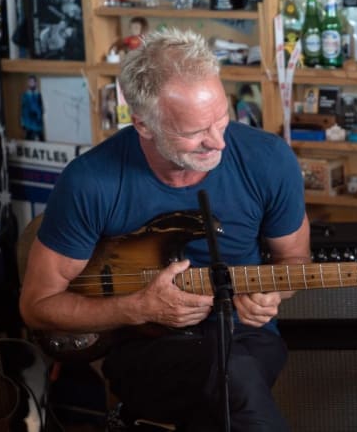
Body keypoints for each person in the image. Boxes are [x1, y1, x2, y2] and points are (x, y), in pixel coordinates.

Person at [19, 28, 310, 431]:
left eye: (222, 119)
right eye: (194, 133)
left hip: (246, 338)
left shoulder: (269, 159)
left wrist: (272, 292)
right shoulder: (90, 181)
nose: (218, 143)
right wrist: (138, 307)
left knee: (232, 372)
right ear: (143, 124)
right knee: (229, 383)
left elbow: (295, 259)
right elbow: (37, 305)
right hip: (140, 346)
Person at [20, 75, 44, 141]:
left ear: (36, 83)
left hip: (38, 124)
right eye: (30, 82)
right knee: (29, 140)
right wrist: (22, 123)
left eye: (33, 82)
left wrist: (39, 116)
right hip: (29, 124)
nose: (31, 83)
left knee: (41, 141)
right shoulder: (25, 96)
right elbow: (22, 110)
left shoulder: (39, 95)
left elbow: (42, 108)